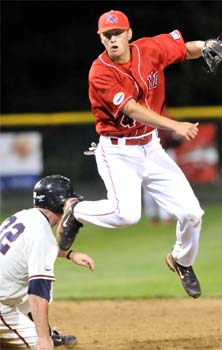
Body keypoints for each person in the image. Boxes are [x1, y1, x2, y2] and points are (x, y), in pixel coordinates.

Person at [57, 9, 207, 299]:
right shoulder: (100, 72)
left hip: (150, 147)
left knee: (192, 213)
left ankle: (181, 260)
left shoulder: (149, 49)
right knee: (126, 215)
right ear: (100, 38)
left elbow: (185, 49)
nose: (113, 40)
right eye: (107, 35)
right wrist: (174, 125)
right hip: (117, 153)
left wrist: (208, 45)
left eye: (117, 33)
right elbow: (131, 109)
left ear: (129, 33)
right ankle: (76, 210)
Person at [0, 175, 94, 350]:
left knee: (29, 284)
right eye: (68, 203)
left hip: (3, 294)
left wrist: (70, 254)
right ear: (59, 204)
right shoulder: (40, 232)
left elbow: (29, 247)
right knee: (41, 343)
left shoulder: (23, 216)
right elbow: (37, 289)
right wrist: (43, 338)